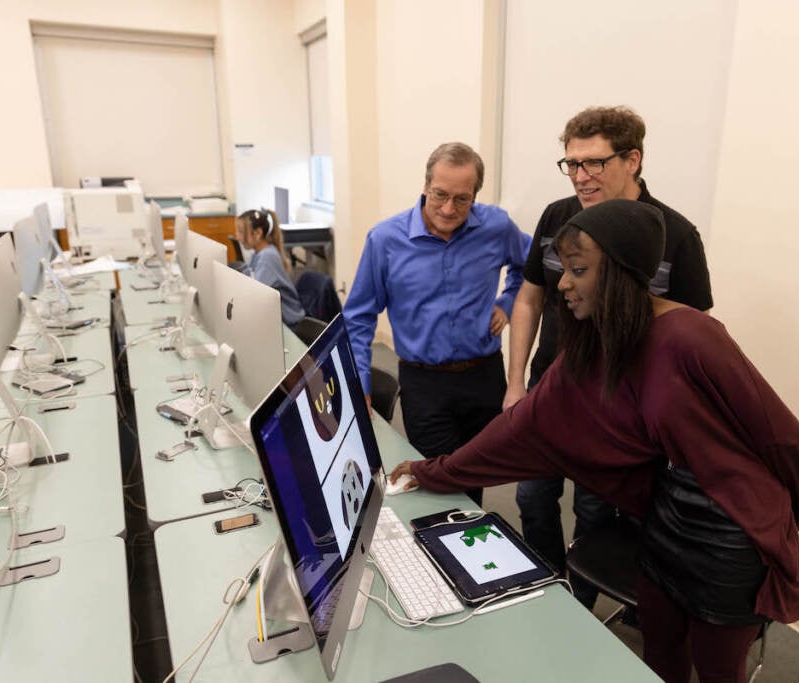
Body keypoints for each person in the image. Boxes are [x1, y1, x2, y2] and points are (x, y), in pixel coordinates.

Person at [390, 199, 799, 683]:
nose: (564, 284)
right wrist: (435, 470)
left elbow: (783, 439)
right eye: (563, 269)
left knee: (719, 670)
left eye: (578, 270)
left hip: (731, 535)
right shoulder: (597, 341)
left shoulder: (692, 336)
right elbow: (522, 426)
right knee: (660, 654)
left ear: (619, 274)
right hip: (666, 519)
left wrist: (782, 525)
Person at [504, 106, 713, 600]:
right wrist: (515, 383)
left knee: (595, 511)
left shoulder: (675, 236)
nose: (581, 176)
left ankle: (578, 605)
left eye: (594, 163)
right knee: (531, 497)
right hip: (549, 391)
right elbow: (530, 297)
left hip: (616, 407)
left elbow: (690, 333)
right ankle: (548, 592)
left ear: (633, 159)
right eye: (572, 163)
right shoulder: (558, 217)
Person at [344, 142, 531, 506]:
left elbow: (530, 266)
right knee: (436, 484)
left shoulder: (496, 226)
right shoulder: (385, 239)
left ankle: (463, 552)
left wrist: (507, 302)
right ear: (426, 185)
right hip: (424, 383)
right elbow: (359, 317)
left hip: (484, 377)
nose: (448, 209)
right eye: (440, 195)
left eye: (462, 199)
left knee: (473, 477)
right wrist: (359, 383)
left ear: (475, 194)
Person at [236, 209, 306, 327]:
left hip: (289, 325)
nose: (237, 237)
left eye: (241, 232)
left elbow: (255, 294)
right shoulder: (259, 253)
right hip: (277, 319)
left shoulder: (267, 257)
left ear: (257, 233)